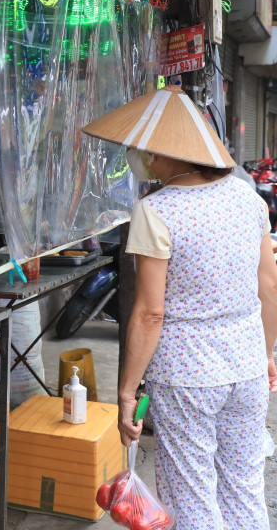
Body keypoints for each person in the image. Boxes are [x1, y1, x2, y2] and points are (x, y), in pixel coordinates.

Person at [83, 85, 277, 530]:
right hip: (246, 366)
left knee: (191, 497)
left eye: (143, 147)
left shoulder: (156, 210)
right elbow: (270, 286)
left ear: (164, 154)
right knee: (244, 488)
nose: (137, 154)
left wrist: (128, 391)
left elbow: (150, 312)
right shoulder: (249, 200)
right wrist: (266, 354)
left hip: (186, 377)